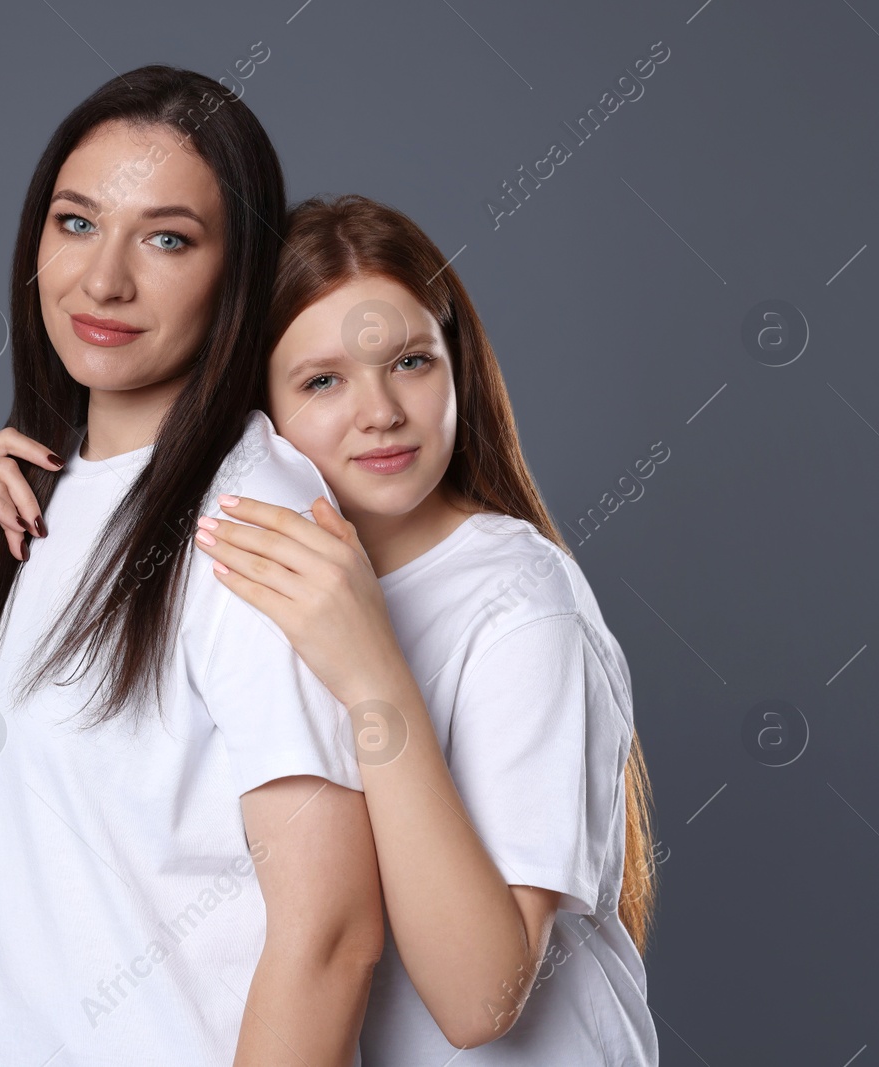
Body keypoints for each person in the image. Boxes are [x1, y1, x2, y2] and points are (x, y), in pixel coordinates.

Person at [0, 72, 385, 1064]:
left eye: (167, 237)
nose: (103, 280)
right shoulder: (26, 499)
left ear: (236, 274)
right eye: (75, 221)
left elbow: (333, 935)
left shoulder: (251, 518)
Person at [193, 194, 662, 1064]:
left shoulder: (524, 603)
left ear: (458, 367)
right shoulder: (248, 580)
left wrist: (374, 673)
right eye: (323, 379)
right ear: (258, 408)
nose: (380, 411)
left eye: (410, 361)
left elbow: (480, 999)